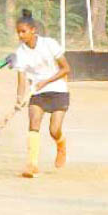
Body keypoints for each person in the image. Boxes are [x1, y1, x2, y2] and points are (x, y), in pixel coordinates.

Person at [14, 9, 71, 178]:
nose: (20, 35)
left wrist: (46, 81)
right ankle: (32, 165)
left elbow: (66, 68)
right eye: (18, 32)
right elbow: (21, 79)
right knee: (34, 122)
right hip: (37, 93)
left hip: (58, 89)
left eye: (23, 31)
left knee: (54, 130)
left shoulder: (49, 44)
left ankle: (61, 144)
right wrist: (20, 98)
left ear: (33, 30)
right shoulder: (20, 52)